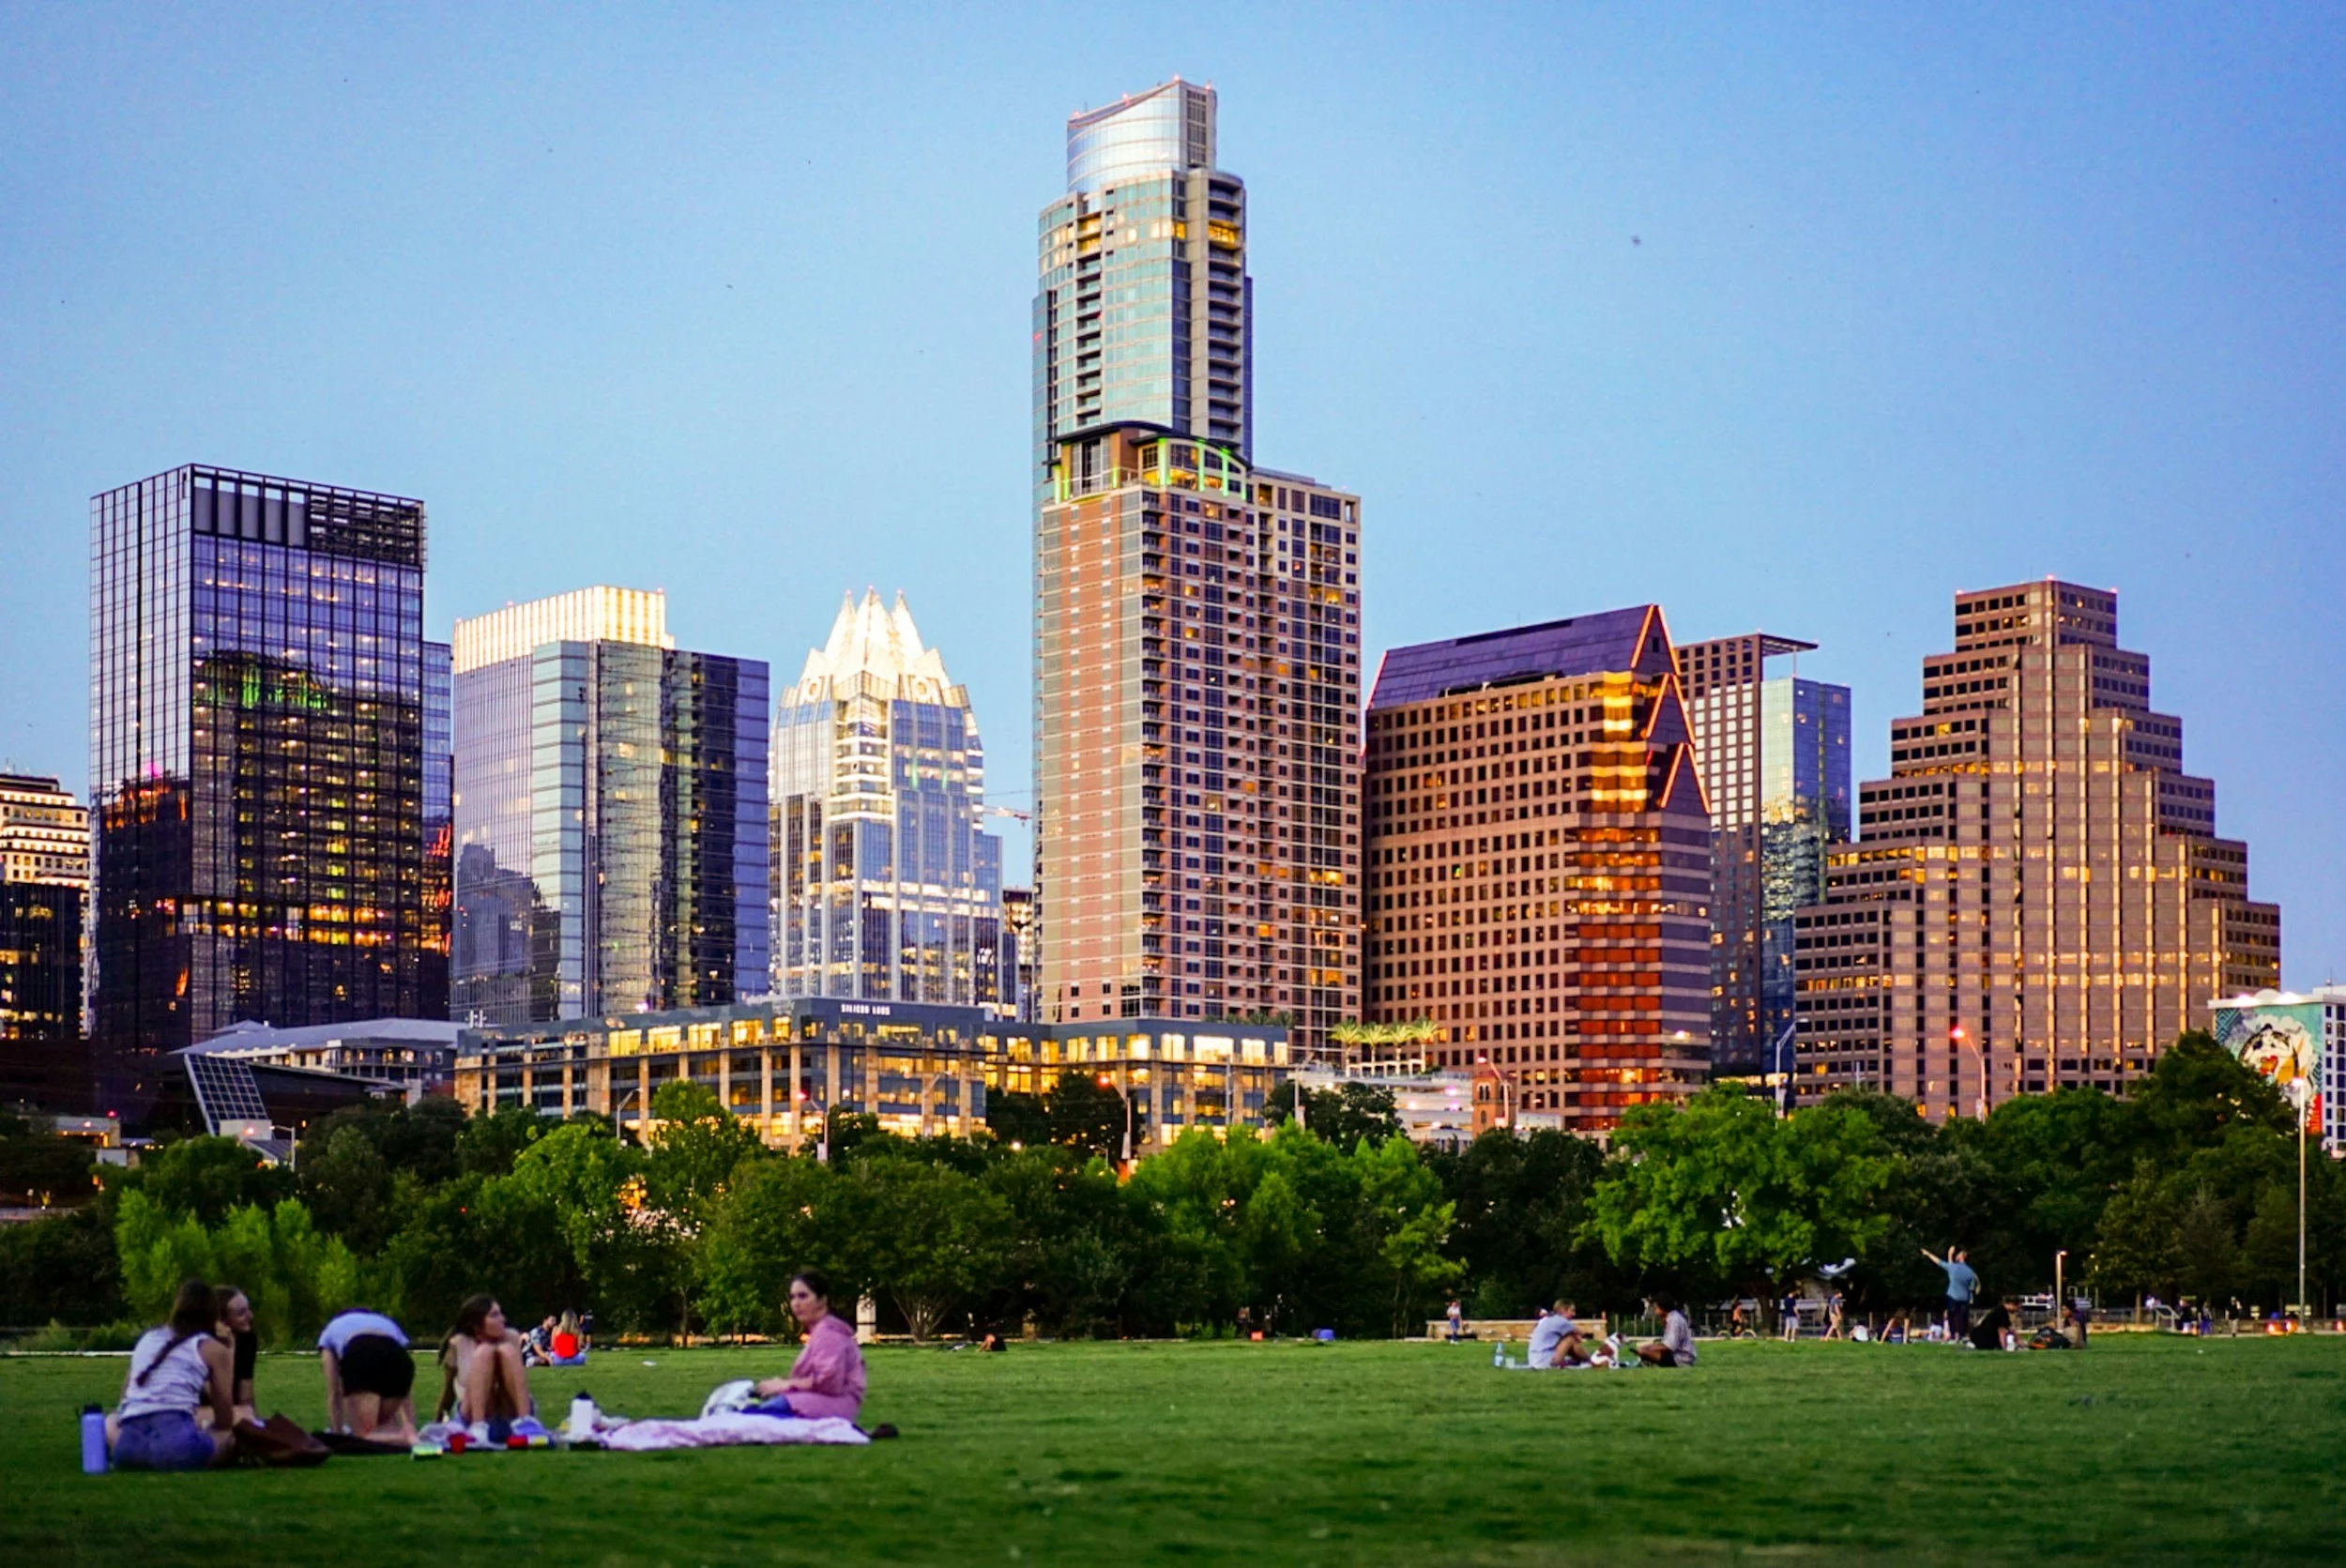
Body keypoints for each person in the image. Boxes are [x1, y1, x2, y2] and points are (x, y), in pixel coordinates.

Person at [112, 1279, 237, 1470]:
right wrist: (230, 1349)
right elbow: (225, 1417)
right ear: (213, 1314)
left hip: (128, 1449)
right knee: (229, 1436)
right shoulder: (211, 1349)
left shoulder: (148, 1339)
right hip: (176, 1448)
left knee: (111, 1420)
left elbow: (125, 1399)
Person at [750, 1270, 867, 1423]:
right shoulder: (820, 1331)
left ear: (822, 1300)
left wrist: (784, 1385)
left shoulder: (829, 1333)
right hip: (819, 1402)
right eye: (792, 1297)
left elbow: (829, 1382)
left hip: (833, 1405)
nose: (796, 1303)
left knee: (748, 1418)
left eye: (803, 1296)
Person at [321, 1306, 419, 1443]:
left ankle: (405, 1437)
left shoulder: (331, 1329)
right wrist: (410, 1423)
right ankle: (409, 1434)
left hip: (362, 1352)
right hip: (399, 1358)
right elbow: (406, 1395)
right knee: (383, 1425)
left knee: (362, 1436)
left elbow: (334, 1390)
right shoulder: (386, 1322)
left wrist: (338, 1434)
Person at [435, 1295, 534, 1428]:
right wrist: (437, 1422)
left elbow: (517, 1386)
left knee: (506, 1351)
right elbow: (448, 1392)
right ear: (476, 1324)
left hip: (508, 1412)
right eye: (494, 1315)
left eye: (501, 1314)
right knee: (484, 1352)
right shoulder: (459, 1344)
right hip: (471, 1413)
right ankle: (478, 1427)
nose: (502, 1319)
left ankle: (526, 1423)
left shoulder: (510, 1337)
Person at [211, 1285, 257, 1425]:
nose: (250, 1316)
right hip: (200, 1411)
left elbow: (246, 1395)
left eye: (248, 1309)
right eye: (241, 1313)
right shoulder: (204, 1346)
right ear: (221, 1320)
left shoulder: (246, 1339)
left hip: (235, 1411)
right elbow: (216, 1397)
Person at [1922, 1246, 1978, 1341]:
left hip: (1953, 1297)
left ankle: (1953, 1336)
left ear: (1962, 1257)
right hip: (1965, 1298)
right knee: (1962, 1318)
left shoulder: (1954, 1268)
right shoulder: (1971, 1272)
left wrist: (1928, 1254)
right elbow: (1972, 1288)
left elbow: (1939, 1262)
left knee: (1952, 1317)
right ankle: (1961, 1336)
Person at [1635, 1299, 1699, 1368]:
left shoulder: (1674, 1320)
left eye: (1656, 1309)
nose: (1655, 1312)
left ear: (1663, 1308)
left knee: (1643, 1351)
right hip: (1679, 1355)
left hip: (1682, 1358)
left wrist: (1648, 1348)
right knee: (1644, 1349)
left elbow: (1669, 1347)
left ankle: (1646, 1363)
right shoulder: (1671, 1318)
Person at [1527, 1302, 1587, 1368]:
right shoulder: (1561, 1321)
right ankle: (1589, 1361)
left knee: (1566, 1338)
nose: (1574, 1314)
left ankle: (1578, 1360)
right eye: (1572, 1311)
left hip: (1534, 1360)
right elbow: (1581, 1333)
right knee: (1571, 1339)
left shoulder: (1548, 1319)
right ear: (1563, 1310)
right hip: (1544, 1361)